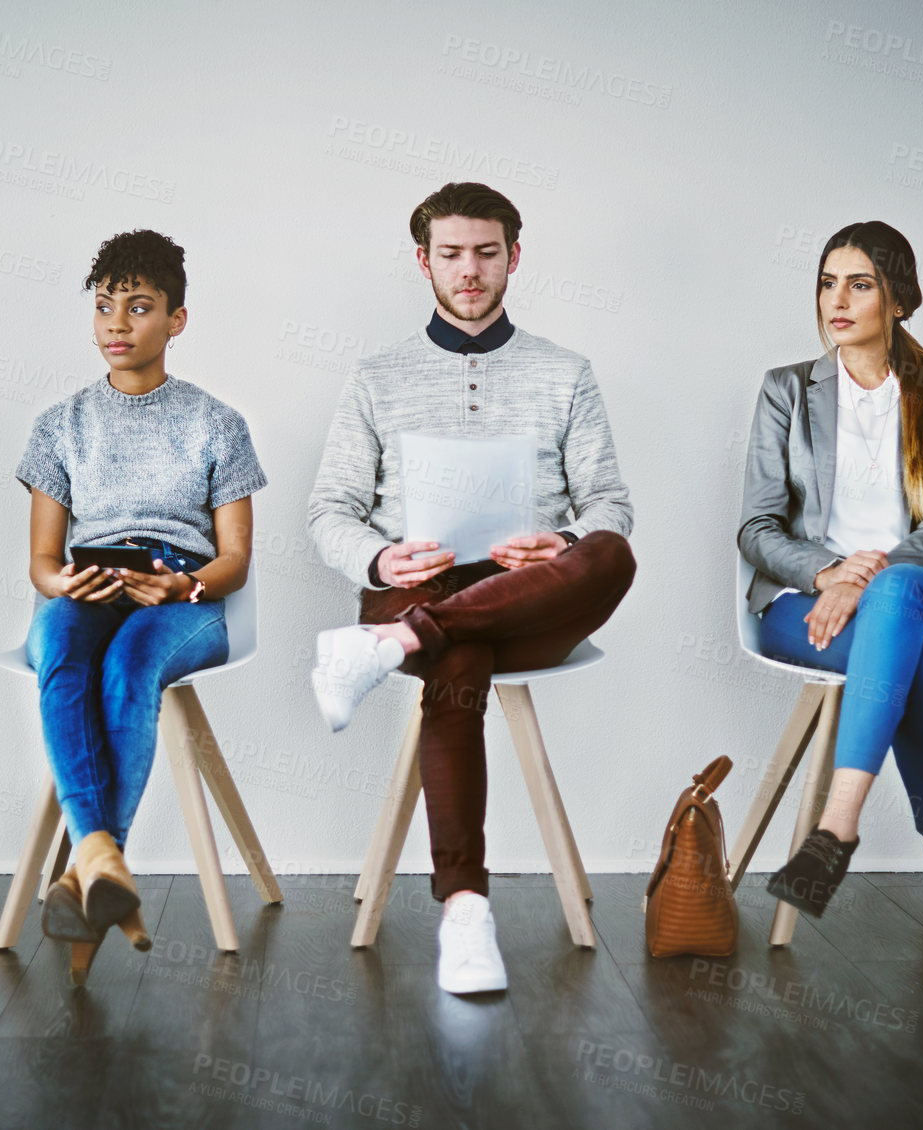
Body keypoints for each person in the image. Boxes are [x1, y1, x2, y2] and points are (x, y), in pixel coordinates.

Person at [307, 182, 636, 996]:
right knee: (463, 660)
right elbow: (329, 512)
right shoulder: (377, 376)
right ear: (423, 261)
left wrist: (556, 541)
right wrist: (384, 564)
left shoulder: (566, 372)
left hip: (533, 589)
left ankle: (392, 644)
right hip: (417, 582)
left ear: (513, 257)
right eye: (450, 254)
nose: (470, 270)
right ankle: (464, 913)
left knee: (612, 554)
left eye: (487, 252)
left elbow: (609, 506)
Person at [15, 229, 267, 986]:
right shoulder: (59, 426)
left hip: (181, 592)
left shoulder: (217, 423)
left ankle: (90, 862)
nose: (117, 324)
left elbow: (234, 561)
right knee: (56, 634)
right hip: (91, 584)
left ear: (176, 320)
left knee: (130, 660)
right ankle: (101, 863)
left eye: (139, 306)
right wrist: (62, 585)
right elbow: (41, 561)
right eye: (104, 307)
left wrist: (183, 586)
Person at [739, 220, 923, 950]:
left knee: (897, 604)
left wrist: (869, 576)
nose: (838, 300)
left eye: (860, 283)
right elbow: (757, 527)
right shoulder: (786, 391)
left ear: (900, 299)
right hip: (807, 603)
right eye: (828, 282)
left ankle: (834, 828)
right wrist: (827, 572)